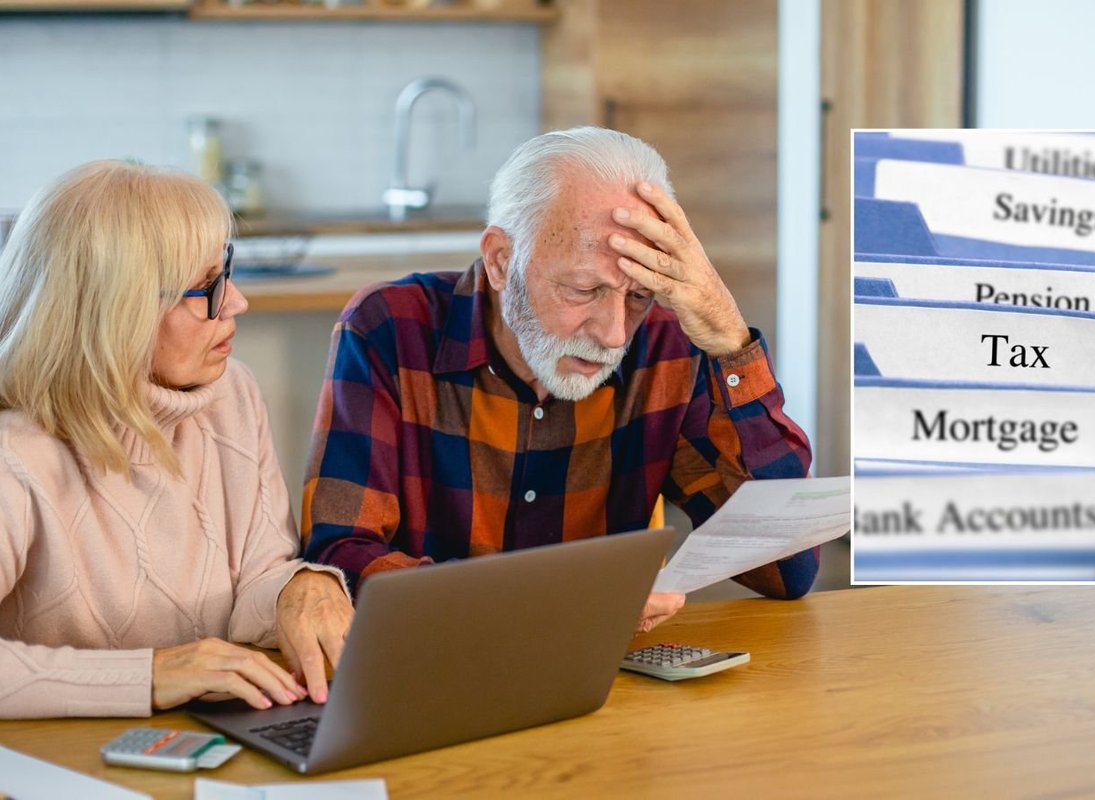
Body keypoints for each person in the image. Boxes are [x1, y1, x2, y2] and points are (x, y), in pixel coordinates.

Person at [303, 127, 817, 631]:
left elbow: (786, 568)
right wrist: (545, 605)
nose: (614, 334)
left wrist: (730, 342)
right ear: (501, 260)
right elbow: (340, 557)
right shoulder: (389, 328)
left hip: (605, 673)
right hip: (435, 663)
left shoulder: (666, 346)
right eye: (583, 289)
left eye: (639, 296)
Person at [0, 161, 353, 719]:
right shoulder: (13, 456)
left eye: (226, 271)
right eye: (206, 286)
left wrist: (299, 586)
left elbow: (259, 573)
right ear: (117, 310)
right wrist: (150, 675)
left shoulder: (231, 394)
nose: (236, 302)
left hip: (205, 736)